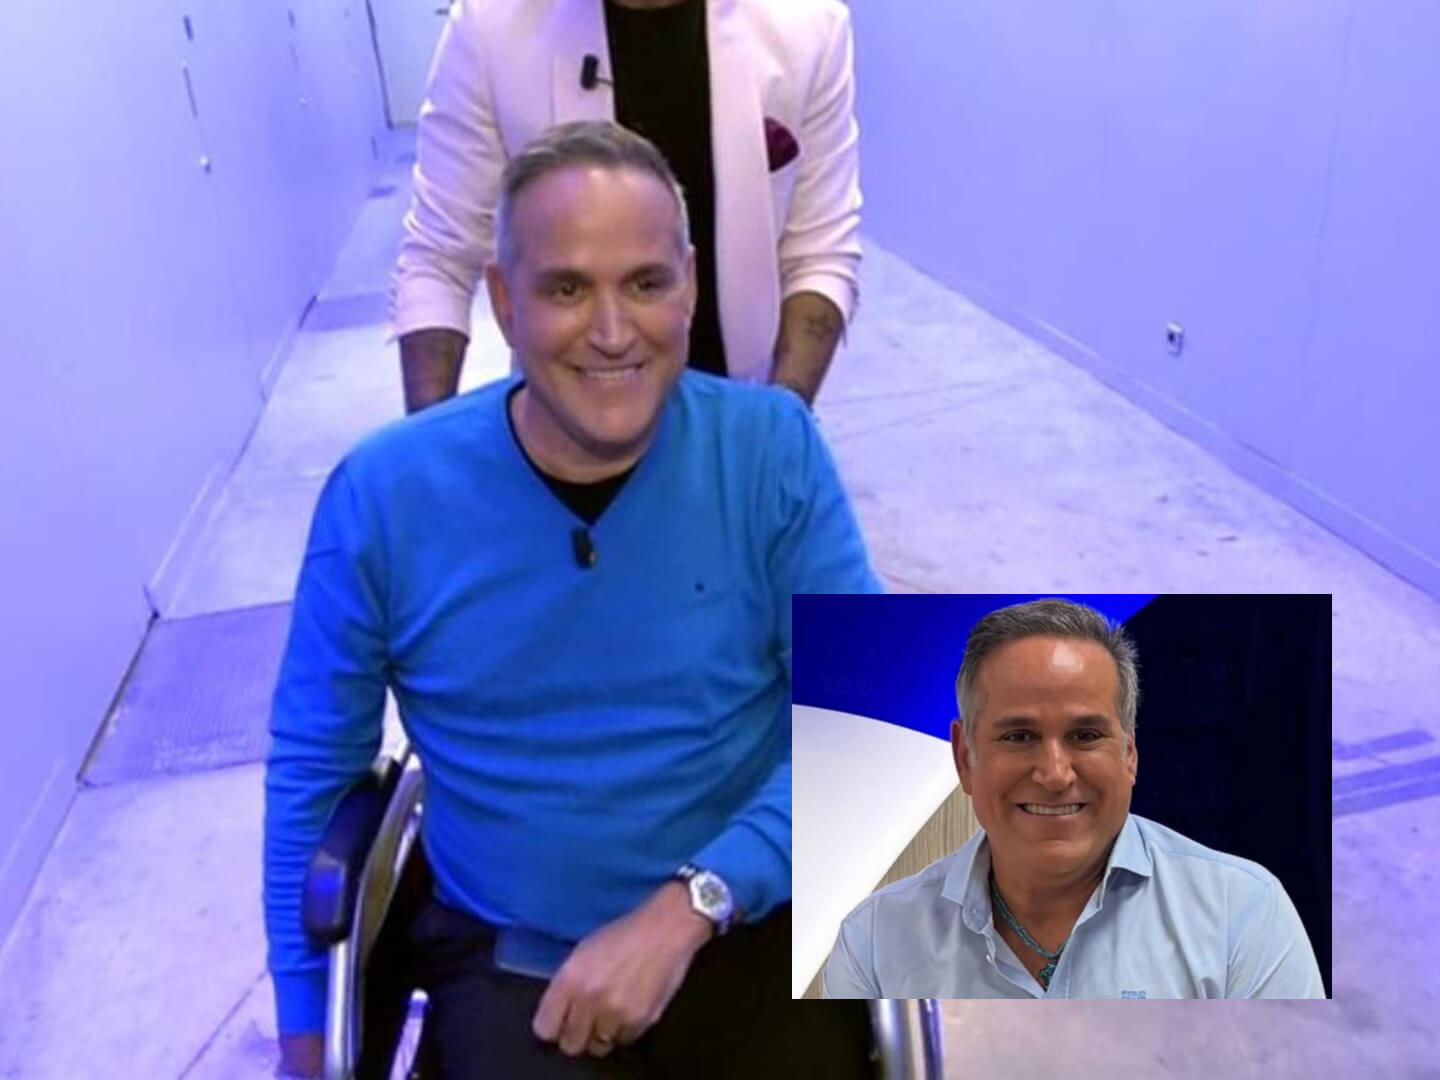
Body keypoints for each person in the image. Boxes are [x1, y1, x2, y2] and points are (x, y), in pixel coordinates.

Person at [266, 121, 882, 1079]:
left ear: (690, 285)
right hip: (507, 954)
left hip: (748, 916)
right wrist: (307, 1041)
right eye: (565, 289)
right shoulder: (385, 497)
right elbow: (315, 771)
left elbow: (881, 727)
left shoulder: (770, 451)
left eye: (646, 283)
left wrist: (691, 906)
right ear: (503, 300)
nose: (612, 331)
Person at [822, 598, 1326, 1000]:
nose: (1055, 774)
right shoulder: (875, 942)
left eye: (1085, 736)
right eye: (1018, 736)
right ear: (964, 757)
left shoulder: (1245, 914)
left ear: (1130, 753)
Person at [391, 0, 860, 413]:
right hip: (560, 422)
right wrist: (430, 451)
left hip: (737, 407)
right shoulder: (490, 28)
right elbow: (439, 258)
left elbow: (819, 253)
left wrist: (781, 426)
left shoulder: (808, 25)